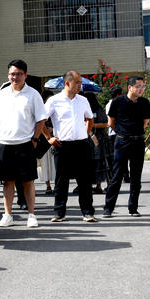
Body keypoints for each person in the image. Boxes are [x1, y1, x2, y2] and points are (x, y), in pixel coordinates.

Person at [0, 59, 46, 228]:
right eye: (12, 74)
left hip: (25, 143)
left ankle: (31, 214)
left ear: (25, 75)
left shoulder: (33, 94)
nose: (15, 77)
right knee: (8, 181)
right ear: (8, 75)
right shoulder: (1, 94)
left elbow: (41, 119)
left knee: (28, 181)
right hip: (5, 143)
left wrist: (35, 139)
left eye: (19, 74)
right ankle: (7, 214)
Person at [44, 70, 97, 223]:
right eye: (77, 83)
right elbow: (41, 120)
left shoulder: (83, 100)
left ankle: (88, 212)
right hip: (62, 144)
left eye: (80, 82)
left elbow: (90, 118)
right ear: (67, 83)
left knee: (85, 180)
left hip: (82, 144)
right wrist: (49, 137)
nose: (80, 85)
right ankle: (59, 213)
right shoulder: (54, 100)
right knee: (61, 180)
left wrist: (86, 134)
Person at [104, 75, 150, 218]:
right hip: (122, 141)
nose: (141, 89)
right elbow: (111, 122)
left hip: (138, 141)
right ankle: (108, 208)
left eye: (143, 86)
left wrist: (137, 133)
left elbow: (145, 123)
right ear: (130, 87)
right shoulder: (117, 102)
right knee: (117, 175)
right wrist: (122, 133)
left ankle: (133, 208)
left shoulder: (144, 103)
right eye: (138, 86)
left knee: (136, 177)